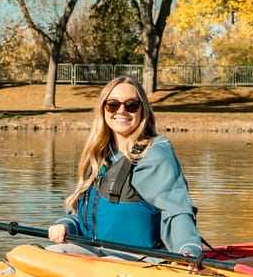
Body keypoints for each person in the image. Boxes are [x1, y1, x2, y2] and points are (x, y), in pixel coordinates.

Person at [45, 77, 205, 260]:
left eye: (131, 105)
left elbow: (176, 210)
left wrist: (189, 248)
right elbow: (85, 215)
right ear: (103, 109)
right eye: (113, 105)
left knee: (109, 262)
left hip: (140, 260)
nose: (121, 111)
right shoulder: (99, 153)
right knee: (50, 254)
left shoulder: (154, 154)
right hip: (97, 253)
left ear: (142, 109)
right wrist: (65, 224)